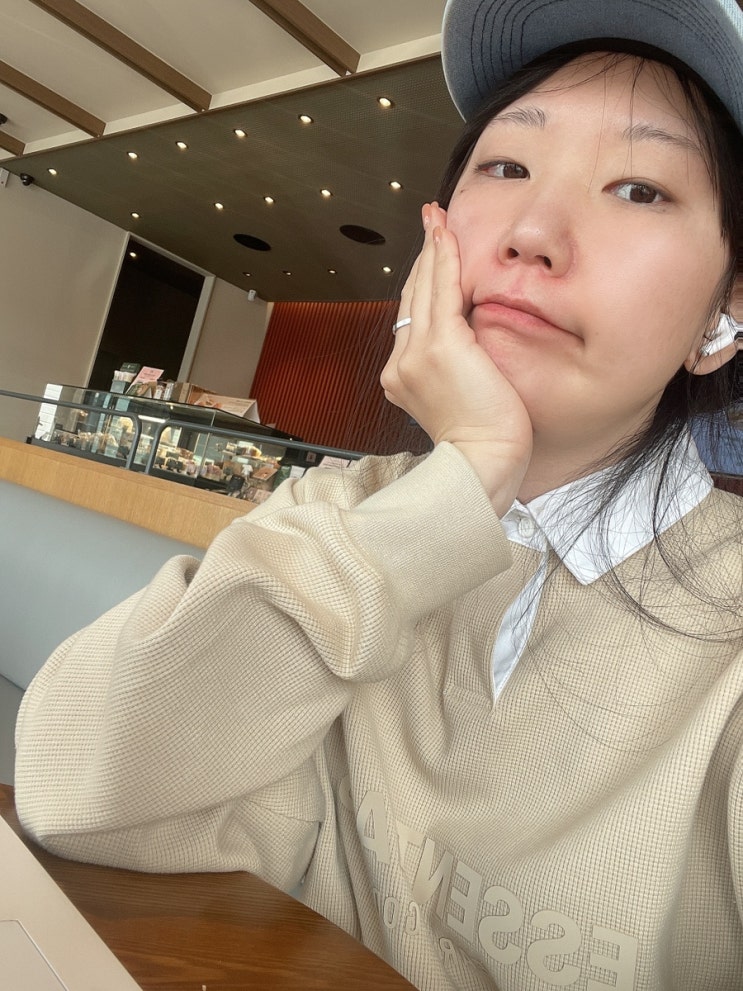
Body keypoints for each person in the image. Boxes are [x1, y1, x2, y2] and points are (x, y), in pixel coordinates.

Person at [13, 0, 743, 988]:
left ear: (725, 312)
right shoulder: (343, 515)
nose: (531, 232)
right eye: (506, 166)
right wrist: (461, 480)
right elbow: (75, 792)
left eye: (638, 187)